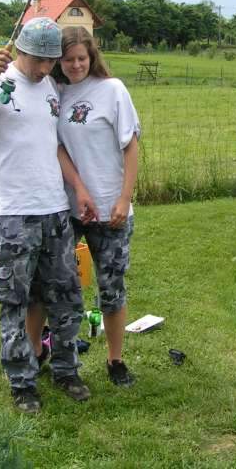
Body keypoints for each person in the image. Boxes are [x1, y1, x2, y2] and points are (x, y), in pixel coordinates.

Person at [0, 17, 97, 414]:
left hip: (55, 210)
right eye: (38, 61)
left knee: (66, 297)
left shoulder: (49, 85)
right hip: (13, 214)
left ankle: (66, 370)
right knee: (13, 302)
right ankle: (22, 382)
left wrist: (78, 187)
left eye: (51, 61)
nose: (45, 69)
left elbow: (53, 144)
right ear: (19, 51)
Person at [32, 25, 140, 387]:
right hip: (68, 208)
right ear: (57, 61)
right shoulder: (54, 92)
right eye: (68, 59)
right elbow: (56, 146)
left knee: (111, 288)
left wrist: (124, 198)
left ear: (92, 57)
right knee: (58, 287)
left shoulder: (113, 90)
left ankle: (115, 359)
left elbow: (131, 145)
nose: (76, 64)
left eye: (82, 58)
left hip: (111, 209)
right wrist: (77, 188)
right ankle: (50, 352)